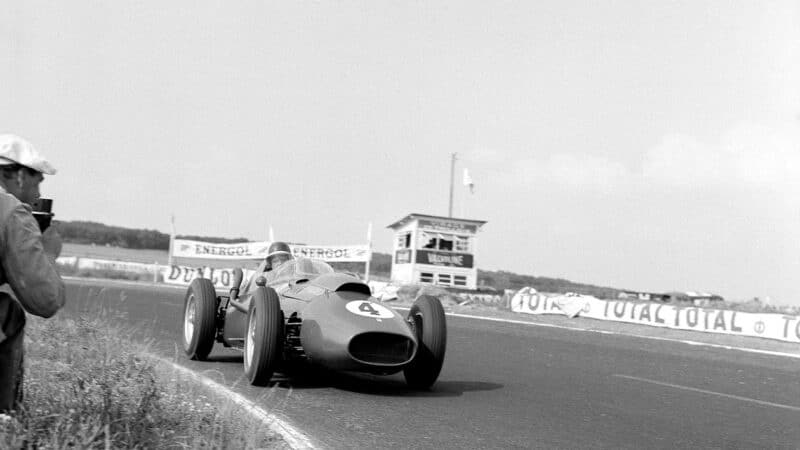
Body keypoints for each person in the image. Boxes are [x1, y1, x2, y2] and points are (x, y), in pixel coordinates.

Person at [0, 134, 66, 413]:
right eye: (38, 180)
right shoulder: (9, 211)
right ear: (18, 177)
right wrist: (48, 254)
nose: (38, 194)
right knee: (8, 312)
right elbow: (45, 300)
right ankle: (5, 417)